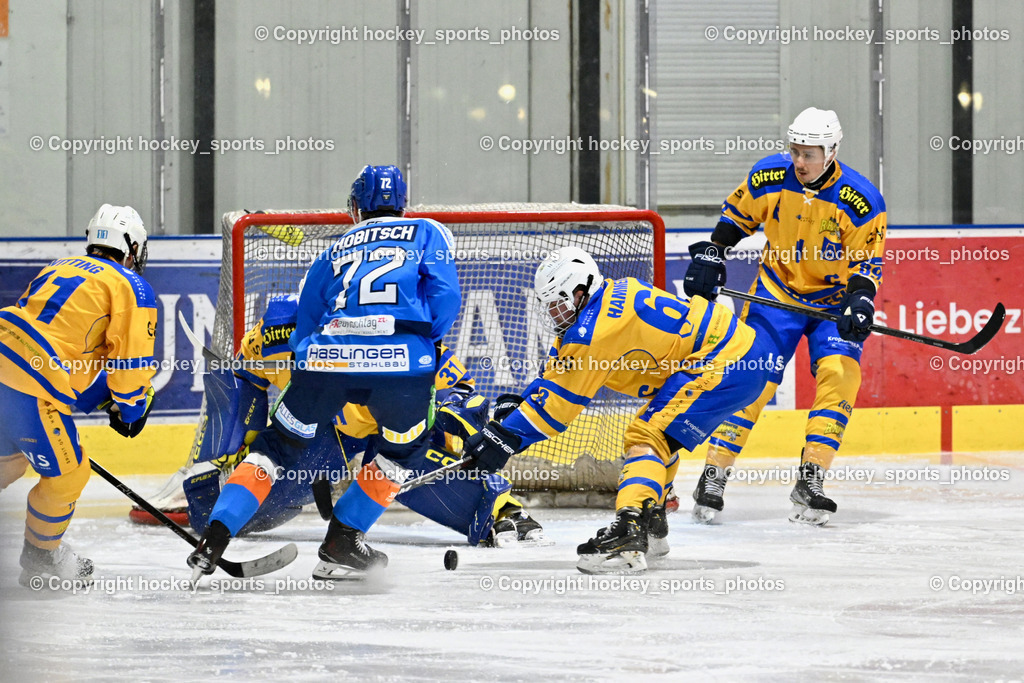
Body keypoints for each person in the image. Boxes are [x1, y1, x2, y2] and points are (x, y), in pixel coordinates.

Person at [187, 164, 464, 580]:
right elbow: (446, 297)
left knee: (275, 449)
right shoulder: (429, 231)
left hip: (326, 362)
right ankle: (342, 540)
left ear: (355, 205)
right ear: (402, 204)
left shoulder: (332, 249)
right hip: (404, 368)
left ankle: (216, 535)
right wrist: (425, 340)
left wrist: (315, 363)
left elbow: (307, 323)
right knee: (401, 453)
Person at [461, 247, 772, 574]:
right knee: (658, 434)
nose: (553, 313)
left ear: (579, 292)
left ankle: (630, 527)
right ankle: (651, 525)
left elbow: (557, 407)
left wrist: (504, 438)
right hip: (740, 353)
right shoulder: (611, 295)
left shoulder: (595, 331)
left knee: (647, 436)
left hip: (725, 361)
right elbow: (561, 367)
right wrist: (523, 402)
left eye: (556, 303)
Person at [141, 294, 545, 546]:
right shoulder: (275, 333)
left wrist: (452, 418)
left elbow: (464, 395)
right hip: (327, 431)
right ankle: (210, 498)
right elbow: (245, 378)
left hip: (393, 428)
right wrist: (234, 452)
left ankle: (503, 510)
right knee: (235, 508)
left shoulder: (397, 337)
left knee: (403, 460)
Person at [684, 107, 887, 525]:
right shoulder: (769, 176)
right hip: (776, 295)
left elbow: (866, 263)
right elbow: (737, 218)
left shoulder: (861, 199)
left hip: (832, 302)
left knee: (840, 375)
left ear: (831, 152)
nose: (799, 162)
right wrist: (712, 251)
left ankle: (812, 477)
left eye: (809, 154)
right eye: (795, 151)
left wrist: (861, 301)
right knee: (751, 378)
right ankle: (714, 473)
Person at [0, 204, 157, 585]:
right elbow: (130, 365)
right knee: (69, 473)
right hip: (30, 384)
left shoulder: (60, 265)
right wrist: (132, 410)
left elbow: (64, 347)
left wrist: (101, 399)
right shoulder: (130, 285)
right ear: (132, 247)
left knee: (9, 462)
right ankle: (42, 556)